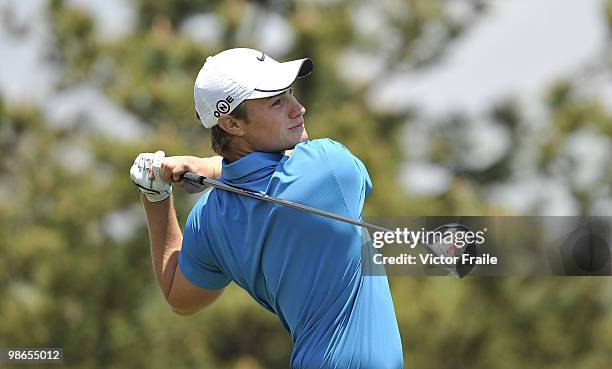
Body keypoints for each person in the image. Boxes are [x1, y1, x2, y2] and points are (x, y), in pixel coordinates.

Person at [130, 48, 403, 369]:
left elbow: (179, 297)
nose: (298, 108)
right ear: (231, 123)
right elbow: (281, 174)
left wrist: (155, 197)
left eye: (290, 95)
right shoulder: (330, 167)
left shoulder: (208, 219)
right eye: (277, 102)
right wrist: (209, 167)